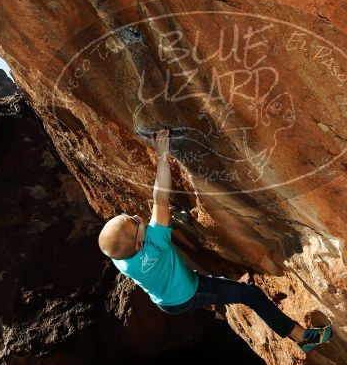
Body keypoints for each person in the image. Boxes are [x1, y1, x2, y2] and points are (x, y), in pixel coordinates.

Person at [98, 129, 332, 353]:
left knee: (201, 281)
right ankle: (302, 338)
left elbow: (132, 232)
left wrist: (153, 224)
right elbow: (160, 195)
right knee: (250, 295)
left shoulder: (121, 259)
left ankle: (210, 298)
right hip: (191, 292)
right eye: (136, 223)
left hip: (167, 302)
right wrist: (162, 155)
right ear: (140, 245)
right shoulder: (157, 242)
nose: (139, 217)